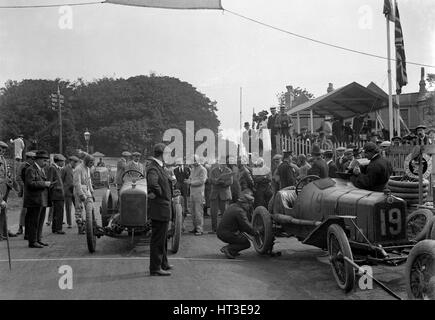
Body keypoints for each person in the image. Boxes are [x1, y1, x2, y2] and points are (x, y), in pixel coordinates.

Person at [146, 143, 173, 276]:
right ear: (162, 154)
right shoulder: (153, 168)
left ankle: (163, 263)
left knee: (163, 238)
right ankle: (155, 268)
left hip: (162, 207)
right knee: (158, 239)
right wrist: (162, 193)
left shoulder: (159, 167)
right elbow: (152, 184)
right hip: (159, 207)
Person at [23, 150, 52, 248]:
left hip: (41, 200)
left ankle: (38, 239)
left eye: (46, 161)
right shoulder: (31, 169)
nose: (46, 162)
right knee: (34, 221)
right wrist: (44, 184)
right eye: (44, 160)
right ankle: (32, 241)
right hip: (34, 201)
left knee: (40, 221)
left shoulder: (41, 169)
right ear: (38, 160)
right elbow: (30, 184)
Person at [217, 193, 258, 259]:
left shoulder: (233, 206)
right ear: (243, 203)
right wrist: (255, 232)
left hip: (222, 232)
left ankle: (233, 250)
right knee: (246, 243)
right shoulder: (239, 211)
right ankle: (229, 249)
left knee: (240, 237)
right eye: (249, 204)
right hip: (227, 233)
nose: (250, 206)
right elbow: (246, 226)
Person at [209, 157, 233, 234]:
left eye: (224, 163)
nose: (222, 164)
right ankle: (214, 229)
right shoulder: (213, 170)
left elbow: (230, 181)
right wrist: (216, 181)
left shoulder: (228, 171)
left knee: (225, 212)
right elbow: (210, 180)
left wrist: (223, 182)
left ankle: (224, 229)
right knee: (213, 212)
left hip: (224, 194)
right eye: (221, 162)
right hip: (215, 194)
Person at [73, 154, 95, 234]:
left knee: (90, 207)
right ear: (86, 161)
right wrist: (81, 194)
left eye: (93, 162)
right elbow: (76, 183)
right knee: (79, 210)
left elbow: (89, 181)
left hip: (87, 190)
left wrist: (92, 192)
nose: (92, 164)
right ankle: (80, 228)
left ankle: (90, 225)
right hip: (79, 191)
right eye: (91, 162)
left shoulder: (88, 168)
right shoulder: (78, 169)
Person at [0, 141, 18, 240]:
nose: (3, 151)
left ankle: (3, 231)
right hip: (0, 187)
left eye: (4, 149)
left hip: (5, 187)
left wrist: (10, 181)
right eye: (1, 149)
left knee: (3, 211)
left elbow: (6, 174)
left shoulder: (3, 159)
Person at [186, 155, 207, 236]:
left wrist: (191, 183)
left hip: (199, 193)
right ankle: (195, 227)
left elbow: (202, 181)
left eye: (194, 160)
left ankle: (199, 229)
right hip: (192, 193)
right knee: (193, 212)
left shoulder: (203, 169)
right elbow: (191, 178)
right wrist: (188, 180)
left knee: (198, 212)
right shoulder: (193, 169)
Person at [16, 151, 36, 236]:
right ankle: (20, 227)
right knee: (24, 209)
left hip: (33, 189)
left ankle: (30, 228)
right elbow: (18, 177)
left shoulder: (33, 166)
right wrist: (23, 186)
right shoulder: (22, 165)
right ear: (28, 158)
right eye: (32, 159)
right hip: (25, 189)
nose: (33, 160)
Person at [46, 154, 66, 234]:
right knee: (59, 212)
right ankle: (58, 228)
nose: (64, 163)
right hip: (56, 193)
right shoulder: (52, 168)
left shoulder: (57, 169)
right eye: (62, 161)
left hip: (59, 193)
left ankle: (55, 228)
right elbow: (49, 181)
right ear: (58, 161)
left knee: (57, 211)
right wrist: (55, 186)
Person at [62, 156, 79, 229]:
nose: (75, 164)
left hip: (75, 191)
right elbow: (61, 180)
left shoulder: (76, 169)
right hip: (68, 191)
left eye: (76, 162)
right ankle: (69, 223)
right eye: (74, 162)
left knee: (78, 207)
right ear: (71, 161)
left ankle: (79, 222)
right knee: (68, 208)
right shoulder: (65, 169)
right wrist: (64, 189)